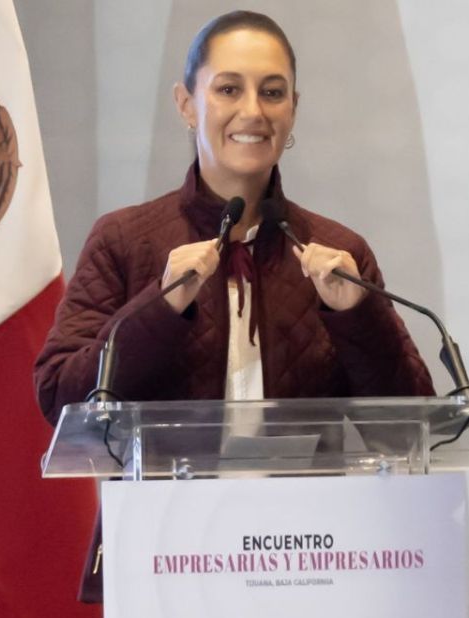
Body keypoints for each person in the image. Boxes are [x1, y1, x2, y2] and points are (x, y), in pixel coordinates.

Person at [34, 10, 434, 425]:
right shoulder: (123, 240)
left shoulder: (341, 253)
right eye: (228, 89)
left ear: (293, 109)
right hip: (167, 493)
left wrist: (358, 316)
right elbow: (59, 396)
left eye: (273, 92)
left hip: (303, 493)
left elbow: (412, 426)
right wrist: (161, 306)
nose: (253, 111)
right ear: (186, 104)